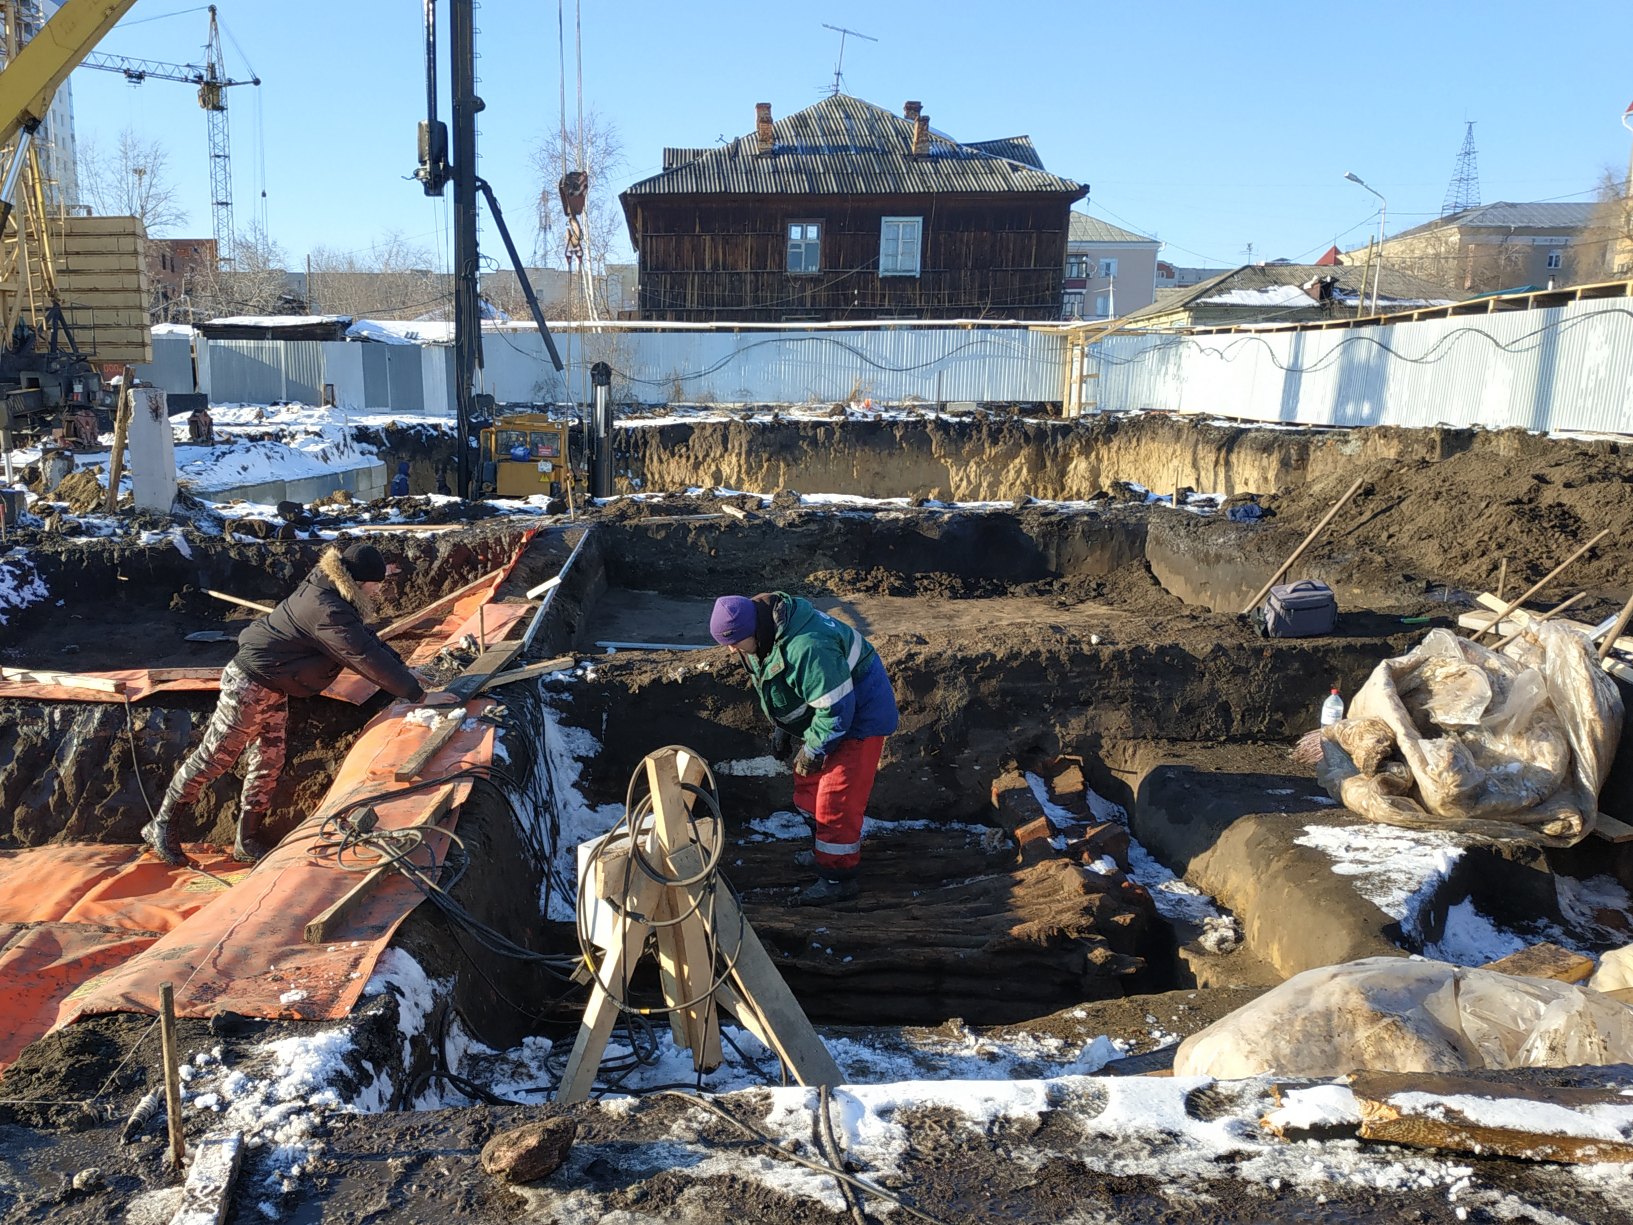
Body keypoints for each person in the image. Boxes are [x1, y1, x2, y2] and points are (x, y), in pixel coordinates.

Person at [142, 543, 457, 867]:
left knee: (270, 758)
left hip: (274, 685)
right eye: (377, 584)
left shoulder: (333, 593)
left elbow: (365, 639)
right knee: (214, 758)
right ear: (361, 581)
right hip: (250, 684)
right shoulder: (327, 609)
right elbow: (363, 656)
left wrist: (404, 670)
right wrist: (417, 695)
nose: (380, 590)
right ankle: (161, 826)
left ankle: (246, 841)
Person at [709, 592, 898, 905]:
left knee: (836, 801)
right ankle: (825, 849)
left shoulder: (808, 647)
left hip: (860, 717)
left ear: (753, 629)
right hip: (828, 715)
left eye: (735, 641)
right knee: (808, 786)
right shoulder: (763, 633)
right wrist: (783, 729)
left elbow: (837, 709)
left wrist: (814, 749)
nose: (731, 650)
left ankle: (838, 878)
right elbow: (787, 687)